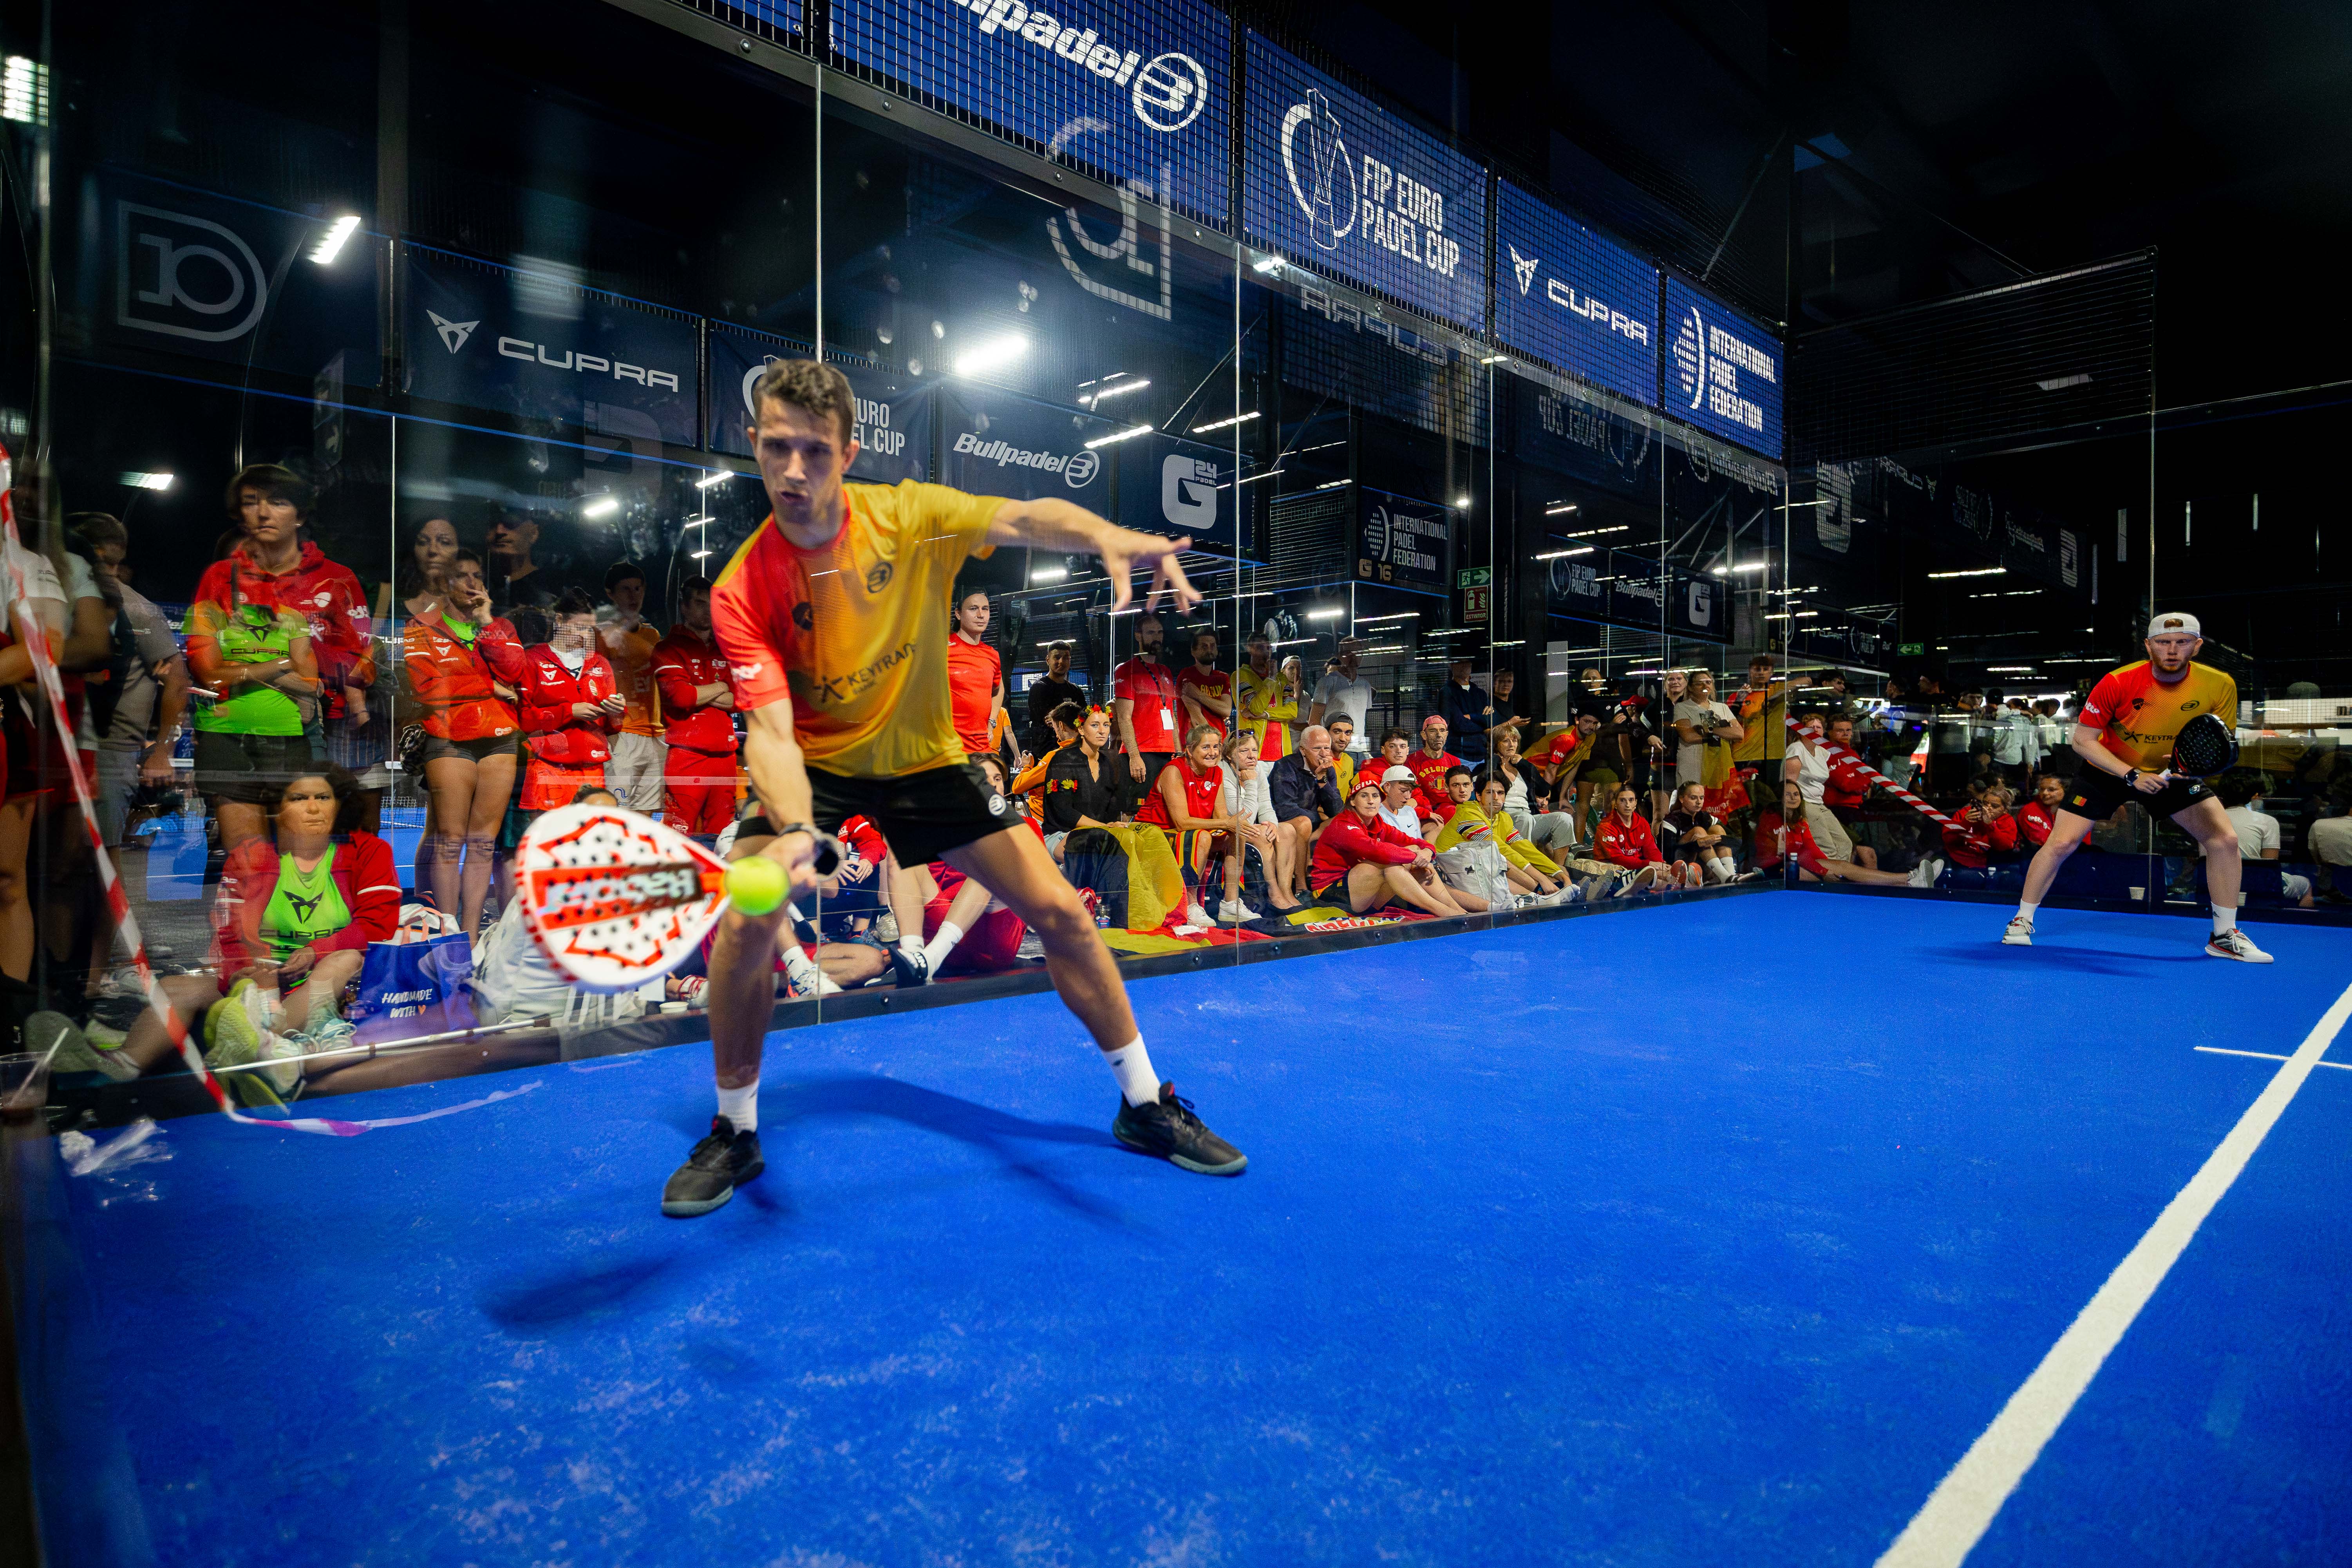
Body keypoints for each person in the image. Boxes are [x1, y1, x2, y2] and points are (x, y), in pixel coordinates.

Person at [682, 358, 1244, 1217]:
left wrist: (1102, 533)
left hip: (925, 760)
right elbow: (768, 729)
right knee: (743, 928)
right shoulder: (743, 586)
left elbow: (1024, 515)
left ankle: (1142, 1103)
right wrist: (795, 828)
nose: (794, 471)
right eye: (778, 448)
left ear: (848, 452)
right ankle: (735, 1128)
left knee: (1060, 912)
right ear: (754, 443)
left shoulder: (908, 517)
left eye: (816, 451)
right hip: (817, 765)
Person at [2004, 613, 2268, 960]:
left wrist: (2190, 769)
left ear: (2197, 646)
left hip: (2170, 774)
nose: (2172, 650)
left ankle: (2224, 936)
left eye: (2182, 642)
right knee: (2062, 842)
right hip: (2107, 769)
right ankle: (2021, 920)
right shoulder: (2117, 681)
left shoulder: (2219, 684)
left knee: (2224, 840)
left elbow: (2217, 741)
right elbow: (2082, 741)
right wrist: (2130, 775)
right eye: (2163, 642)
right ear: (2148, 645)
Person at [206, 767, 401, 1100]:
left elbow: (376, 925)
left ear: (339, 805)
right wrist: (247, 970)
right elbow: (228, 932)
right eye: (299, 799)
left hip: (334, 979)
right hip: (263, 980)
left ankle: (261, 1044)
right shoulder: (249, 856)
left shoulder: (370, 851)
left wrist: (315, 951)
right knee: (179, 989)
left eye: (323, 798)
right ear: (278, 809)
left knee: (345, 959)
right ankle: (121, 1067)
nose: (313, 809)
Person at [184, 470, 344, 855]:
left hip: (290, 740)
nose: (252, 566)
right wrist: (278, 666)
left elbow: (311, 686)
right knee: (247, 860)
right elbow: (209, 674)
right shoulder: (207, 611)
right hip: (227, 738)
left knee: (299, 855)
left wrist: (243, 671)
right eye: (242, 559)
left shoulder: (292, 618)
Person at [401, 549, 520, 933]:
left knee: (483, 844)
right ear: (444, 583)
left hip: (500, 739)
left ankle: (469, 938)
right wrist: (490, 687)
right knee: (450, 841)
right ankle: (447, 937)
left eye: (477, 576)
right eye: (462, 576)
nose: (472, 584)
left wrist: (487, 621)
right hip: (449, 737)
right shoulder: (421, 626)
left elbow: (515, 672)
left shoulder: (498, 626)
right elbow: (429, 688)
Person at [69, 514, 188, 852]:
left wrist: (162, 753)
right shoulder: (66, 597)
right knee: (65, 858)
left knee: (100, 857)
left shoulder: (136, 609)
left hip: (111, 750)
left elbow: (178, 680)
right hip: (67, 740)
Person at [1137, 722, 1258, 926]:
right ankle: (1190, 904)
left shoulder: (1216, 772)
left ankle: (1230, 903)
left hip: (1192, 831)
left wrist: (1234, 824)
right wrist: (1226, 822)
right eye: (1206, 747)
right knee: (1201, 836)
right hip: (1156, 833)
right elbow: (1182, 822)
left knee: (1236, 833)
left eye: (1216, 747)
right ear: (1190, 751)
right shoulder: (1174, 771)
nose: (1213, 753)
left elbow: (1221, 815)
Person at [516, 588, 621, 814]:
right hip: (549, 765)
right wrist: (570, 711)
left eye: (590, 629)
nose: (586, 635)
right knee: (549, 834)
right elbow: (524, 719)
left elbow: (614, 727)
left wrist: (616, 712)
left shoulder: (600, 663)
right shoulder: (533, 659)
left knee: (591, 832)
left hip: (592, 766)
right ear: (560, 620)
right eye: (580, 627)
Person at [1309, 776, 1476, 917]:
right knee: (1394, 863)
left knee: (1409, 853)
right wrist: (1416, 858)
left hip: (1364, 895)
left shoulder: (1378, 823)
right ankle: (1444, 912)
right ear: (1353, 801)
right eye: (1364, 796)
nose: (1371, 801)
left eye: (1375, 796)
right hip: (1330, 893)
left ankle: (1458, 911)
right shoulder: (1344, 825)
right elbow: (1376, 850)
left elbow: (1414, 841)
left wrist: (1427, 852)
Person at [651, 577, 738, 839]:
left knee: (724, 833)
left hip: (726, 754)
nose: (708, 611)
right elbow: (681, 697)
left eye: (711, 605)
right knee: (678, 833)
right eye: (700, 603)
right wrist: (721, 687)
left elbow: (738, 699)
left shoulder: (726, 647)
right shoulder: (668, 648)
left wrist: (700, 692)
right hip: (687, 754)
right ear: (685, 607)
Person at [1433, 769, 1566, 902]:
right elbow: (1501, 849)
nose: (1496, 798)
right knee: (1500, 860)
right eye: (1490, 793)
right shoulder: (1467, 813)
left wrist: (1560, 874)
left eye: (1501, 793)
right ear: (1479, 796)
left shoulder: (1504, 818)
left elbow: (1525, 848)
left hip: (1472, 869)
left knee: (1558, 870)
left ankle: (1546, 893)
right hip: (1447, 873)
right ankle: (1540, 894)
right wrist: (1542, 879)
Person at [1760, 779, 1918, 887]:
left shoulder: (1800, 822)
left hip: (1796, 864)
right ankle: (1907, 879)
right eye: (1788, 795)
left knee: (1842, 867)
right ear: (1779, 798)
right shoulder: (1771, 818)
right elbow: (1784, 854)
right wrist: (1824, 870)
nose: (1793, 798)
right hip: (1775, 870)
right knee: (1838, 873)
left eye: (1796, 794)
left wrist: (1829, 866)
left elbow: (1812, 850)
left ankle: (1908, 880)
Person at [598, 562, 666, 816]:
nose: (633, 595)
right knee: (618, 814)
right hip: (622, 734)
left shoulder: (652, 634)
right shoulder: (603, 635)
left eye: (638, 589)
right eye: (625, 589)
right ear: (610, 593)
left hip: (655, 733)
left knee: (647, 815)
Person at [1220, 728, 1301, 913]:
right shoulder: (1223, 771)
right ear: (1230, 755)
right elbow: (1242, 816)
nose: (1252, 756)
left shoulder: (1256, 769)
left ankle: (1287, 892)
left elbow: (1265, 803)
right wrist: (1250, 783)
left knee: (1287, 831)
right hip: (1230, 827)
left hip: (1249, 825)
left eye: (1255, 750)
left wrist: (1271, 823)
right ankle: (1273, 892)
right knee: (1263, 834)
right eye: (1244, 751)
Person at [1112, 611, 1178, 814]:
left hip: (1167, 752)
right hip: (1142, 752)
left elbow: (1171, 715)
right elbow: (1124, 718)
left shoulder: (1165, 671)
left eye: (1160, 632)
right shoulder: (1127, 671)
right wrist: (1134, 756)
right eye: (1151, 633)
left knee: (1166, 812)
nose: (1157, 637)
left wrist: (1179, 752)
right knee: (1138, 813)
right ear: (1138, 636)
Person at [2211, 777, 2313, 908]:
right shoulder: (2268, 821)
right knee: (2305, 884)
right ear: (2253, 797)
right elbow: (2269, 867)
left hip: (2215, 887)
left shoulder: (2208, 821)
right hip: (2256, 888)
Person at [1267, 723, 1342, 901]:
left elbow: (1336, 810)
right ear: (1303, 750)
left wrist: (1322, 780)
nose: (1323, 754)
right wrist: (1316, 820)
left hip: (1310, 822)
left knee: (1340, 821)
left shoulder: (1328, 770)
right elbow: (1284, 807)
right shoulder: (1285, 766)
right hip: (1282, 820)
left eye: (1327, 748)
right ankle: (1301, 887)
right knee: (1304, 823)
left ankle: (1335, 884)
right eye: (1317, 749)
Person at [1040, 703, 1122, 854]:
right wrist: (1104, 827)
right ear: (1081, 729)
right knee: (1106, 846)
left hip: (1099, 832)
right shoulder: (1063, 760)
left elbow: (1110, 809)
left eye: (1106, 725)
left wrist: (1112, 825)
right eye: (1095, 725)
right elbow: (1063, 811)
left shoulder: (1106, 763)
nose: (1102, 731)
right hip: (1061, 835)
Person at [1784, 711, 1858, 865]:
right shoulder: (1796, 749)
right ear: (1801, 731)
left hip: (1819, 803)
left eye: (1819, 727)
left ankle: (1840, 874)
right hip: (1805, 803)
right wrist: (1792, 812)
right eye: (1811, 727)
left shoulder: (1822, 752)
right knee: (1827, 847)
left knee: (1845, 844)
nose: (1815, 730)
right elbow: (1789, 784)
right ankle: (1827, 876)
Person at [946, 587, 1005, 767]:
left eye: (985, 609)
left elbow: (999, 689)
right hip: (948, 752)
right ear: (958, 614)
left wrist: (992, 721)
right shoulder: (942, 648)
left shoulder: (992, 655)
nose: (981, 615)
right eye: (973, 609)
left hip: (981, 751)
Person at [1593, 785, 1685, 892]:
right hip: (1614, 870)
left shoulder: (1642, 823)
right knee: (1655, 876)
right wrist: (1649, 864)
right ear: (1616, 804)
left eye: (1631, 800)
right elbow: (1617, 859)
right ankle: (1679, 883)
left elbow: (1652, 850)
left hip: (1639, 869)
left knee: (1662, 873)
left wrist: (1662, 864)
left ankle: (1679, 881)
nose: (1628, 805)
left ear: (1636, 803)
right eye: (1623, 800)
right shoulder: (1606, 827)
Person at [1673, 668, 1741, 814]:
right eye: (1700, 683)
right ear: (1691, 688)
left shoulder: (1722, 708)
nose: (1705, 686)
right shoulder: (1682, 708)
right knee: (1693, 807)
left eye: (1709, 682)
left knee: (1718, 810)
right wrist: (1723, 732)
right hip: (1693, 765)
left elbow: (1738, 733)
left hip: (1719, 767)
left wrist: (1709, 730)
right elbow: (1689, 736)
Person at [1233, 635, 1300, 765]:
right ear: (1249, 649)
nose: (1265, 652)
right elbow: (1255, 708)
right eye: (1260, 647)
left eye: (1269, 648)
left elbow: (1292, 712)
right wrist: (1271, 680)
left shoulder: (1282, 680)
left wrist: (1265, 714)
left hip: (1282, 755)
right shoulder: (1241, 676)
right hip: (1254, 755)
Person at [1661, 781, 1740, 884]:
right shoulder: (1671, 821)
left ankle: (1730, 875)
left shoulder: (1706, 817)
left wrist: (1718, 839)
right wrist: (1698, 844)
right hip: (1681, 868)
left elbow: (1737, 841)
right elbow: (1667, 856)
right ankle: (1724, 877)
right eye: (1693, 798)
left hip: (1706, 867)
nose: (1699, 802)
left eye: (1702, 798)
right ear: (1682, 799)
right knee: (1699, 831)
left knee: (1717, 829)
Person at [1023, 641, 1085, 759]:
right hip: (1046, 755)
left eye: (1066, 658)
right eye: (1057, 657)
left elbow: (1085, 718)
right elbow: (1051, 720)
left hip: (1074, 752)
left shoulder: (1076, 690)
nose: (1061, 662)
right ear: (1048, 660)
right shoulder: (1039, 688)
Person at [1308, 640, 1373, 752]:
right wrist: (1323, 747)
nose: (1354, 657)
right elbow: (1314, 721)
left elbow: (1361, 718)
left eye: (1358, 653)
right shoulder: (1327, 682)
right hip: (1335, 749)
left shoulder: (1365, 685)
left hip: (1360, 749)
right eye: (1348, 653)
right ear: (1340, 656)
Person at [398, 515, 461, 620]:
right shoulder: (390, 600)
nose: (433, 550)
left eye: (445, 542)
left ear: (459, 550)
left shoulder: (469, 604)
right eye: (423, 542)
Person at [1175, 627, 1231, 741]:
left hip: (1218, 743)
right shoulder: (1187, 676)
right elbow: (1197, 719)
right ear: (1194, 651)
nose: (1209, 650)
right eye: (1204, 646)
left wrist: (1199, 695)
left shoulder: (1222, 678)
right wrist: (1214, 742)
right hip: (1197, 743)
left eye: (1213, 646)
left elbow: (1226, 710)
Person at [1436, 656, 1493, 764]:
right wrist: (1483, 726)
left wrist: (1472, 717)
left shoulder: (1480, 693)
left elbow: (1491, 720)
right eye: (1460, 663)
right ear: (1452, 666)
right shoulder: (1446, 692)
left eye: (1468, 663)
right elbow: (1459, 724)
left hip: (1482, 754)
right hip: (1459, 755)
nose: (1465, 667)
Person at [1406, 714, 1462, 801]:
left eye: (1442, 731)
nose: (1439, 735)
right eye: (1433, 731)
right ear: (1424, 735)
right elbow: (1412, 794)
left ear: (1446, 735)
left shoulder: (1455, 761)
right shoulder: (1411, 761)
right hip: (1424, 807)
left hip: (1450, 807)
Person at [1322, 714, 1360, 799]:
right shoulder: (1319, 761)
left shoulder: (1349, 760)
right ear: (1326, 733)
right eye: (1337, 732)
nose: (1343, 739)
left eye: (1348, 733)